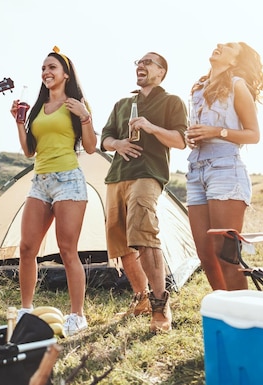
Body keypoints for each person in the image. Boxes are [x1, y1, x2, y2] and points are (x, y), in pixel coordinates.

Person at [10, 47, 97, 336]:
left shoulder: (76, 104)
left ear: (65, 74)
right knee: (26, 248)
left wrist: (86, 117)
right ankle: (25, 310)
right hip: (40, 181)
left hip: (68, 180)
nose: (46, 72)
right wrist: (19, 124)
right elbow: (28, 152)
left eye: (52, 68)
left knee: (67, 250)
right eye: (43, 69)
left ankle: (77, 315)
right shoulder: (37, 107)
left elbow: (91, 146)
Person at [101, 52, 187, 333]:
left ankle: (161, 304)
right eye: (139, 62)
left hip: (148, 174)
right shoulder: (123, 103)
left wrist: (150, 127)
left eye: (148, 62)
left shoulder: (171, 101)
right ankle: (141, 299)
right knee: (120, 240)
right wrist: (119, 144)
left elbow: (180, 140)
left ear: (161, 72)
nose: (141, 65)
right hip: (117, 176)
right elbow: (105, 139)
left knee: (143, 232)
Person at [185, 42, 263, 291]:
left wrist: (215, 131)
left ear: (234, 61)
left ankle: (243, 317)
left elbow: (253, 134)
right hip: (196, 169)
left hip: (225, 170)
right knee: (205, 254)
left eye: (228, 46)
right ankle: (224, 312)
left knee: (225, 254)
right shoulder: (198, 88)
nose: (219, 45)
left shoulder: (237, 85)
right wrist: (193, 137)